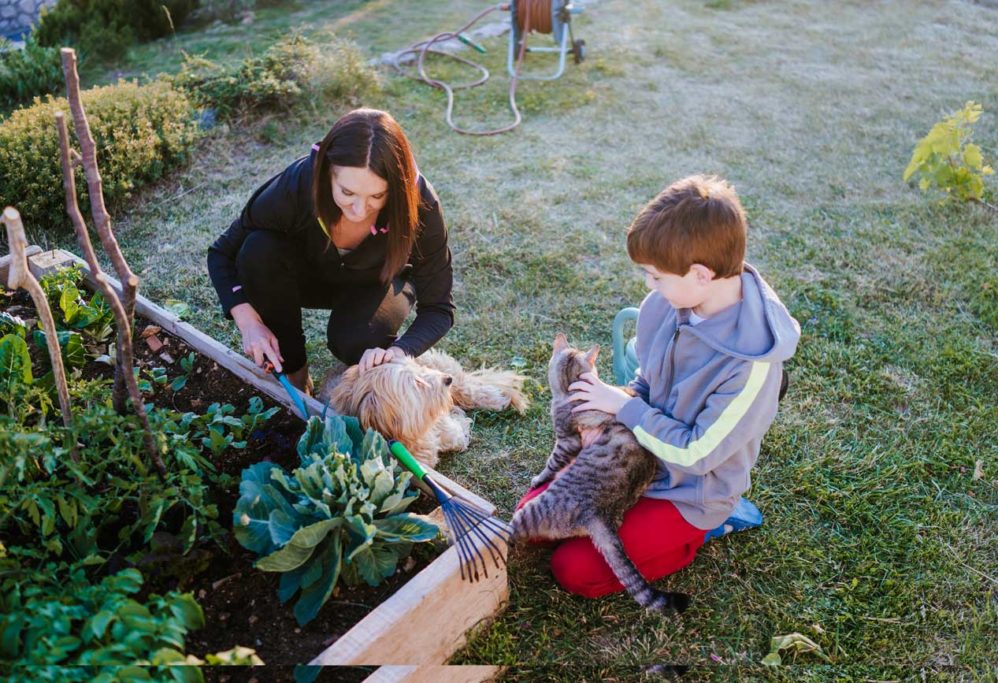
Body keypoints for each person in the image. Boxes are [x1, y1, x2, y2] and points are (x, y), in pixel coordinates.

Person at [518, 174, 800, 599]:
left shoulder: (751, 367)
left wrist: (625, 408)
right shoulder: (665, 304)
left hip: (690, 489)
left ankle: (702, 534)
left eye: (656, 276)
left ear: (702, 275)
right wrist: (609, 411)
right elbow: (647, 383)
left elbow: (698, 453)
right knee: (530, 519)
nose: (648, 286)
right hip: (637, 456)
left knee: (574, 570)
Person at [207, 109, 455, 393]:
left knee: (358, 340)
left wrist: (400, 352)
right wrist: (249, 322)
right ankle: (295, 373)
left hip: (379, 283)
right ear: (326, 173)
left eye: (377, 196)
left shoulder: (420, 202)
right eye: (347, 193)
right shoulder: (297, 184)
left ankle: (362, 338)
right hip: (308, 276)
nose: (360, 211)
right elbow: (221, 254)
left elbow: (439, 308)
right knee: (258, 249)